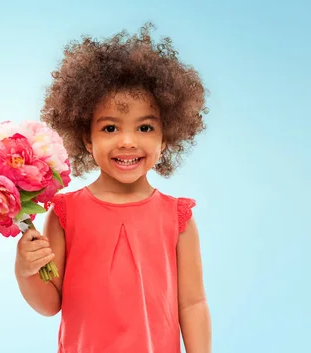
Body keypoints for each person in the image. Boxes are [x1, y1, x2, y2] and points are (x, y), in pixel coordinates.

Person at [14, 23, 212, 353]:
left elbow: (192, 304)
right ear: (87, 139)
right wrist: (26, 270)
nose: (127, 141)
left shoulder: (177, 217)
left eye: (145, 127)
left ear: (165, 139)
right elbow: (50, 304)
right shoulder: (65, 213)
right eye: (110, 127)